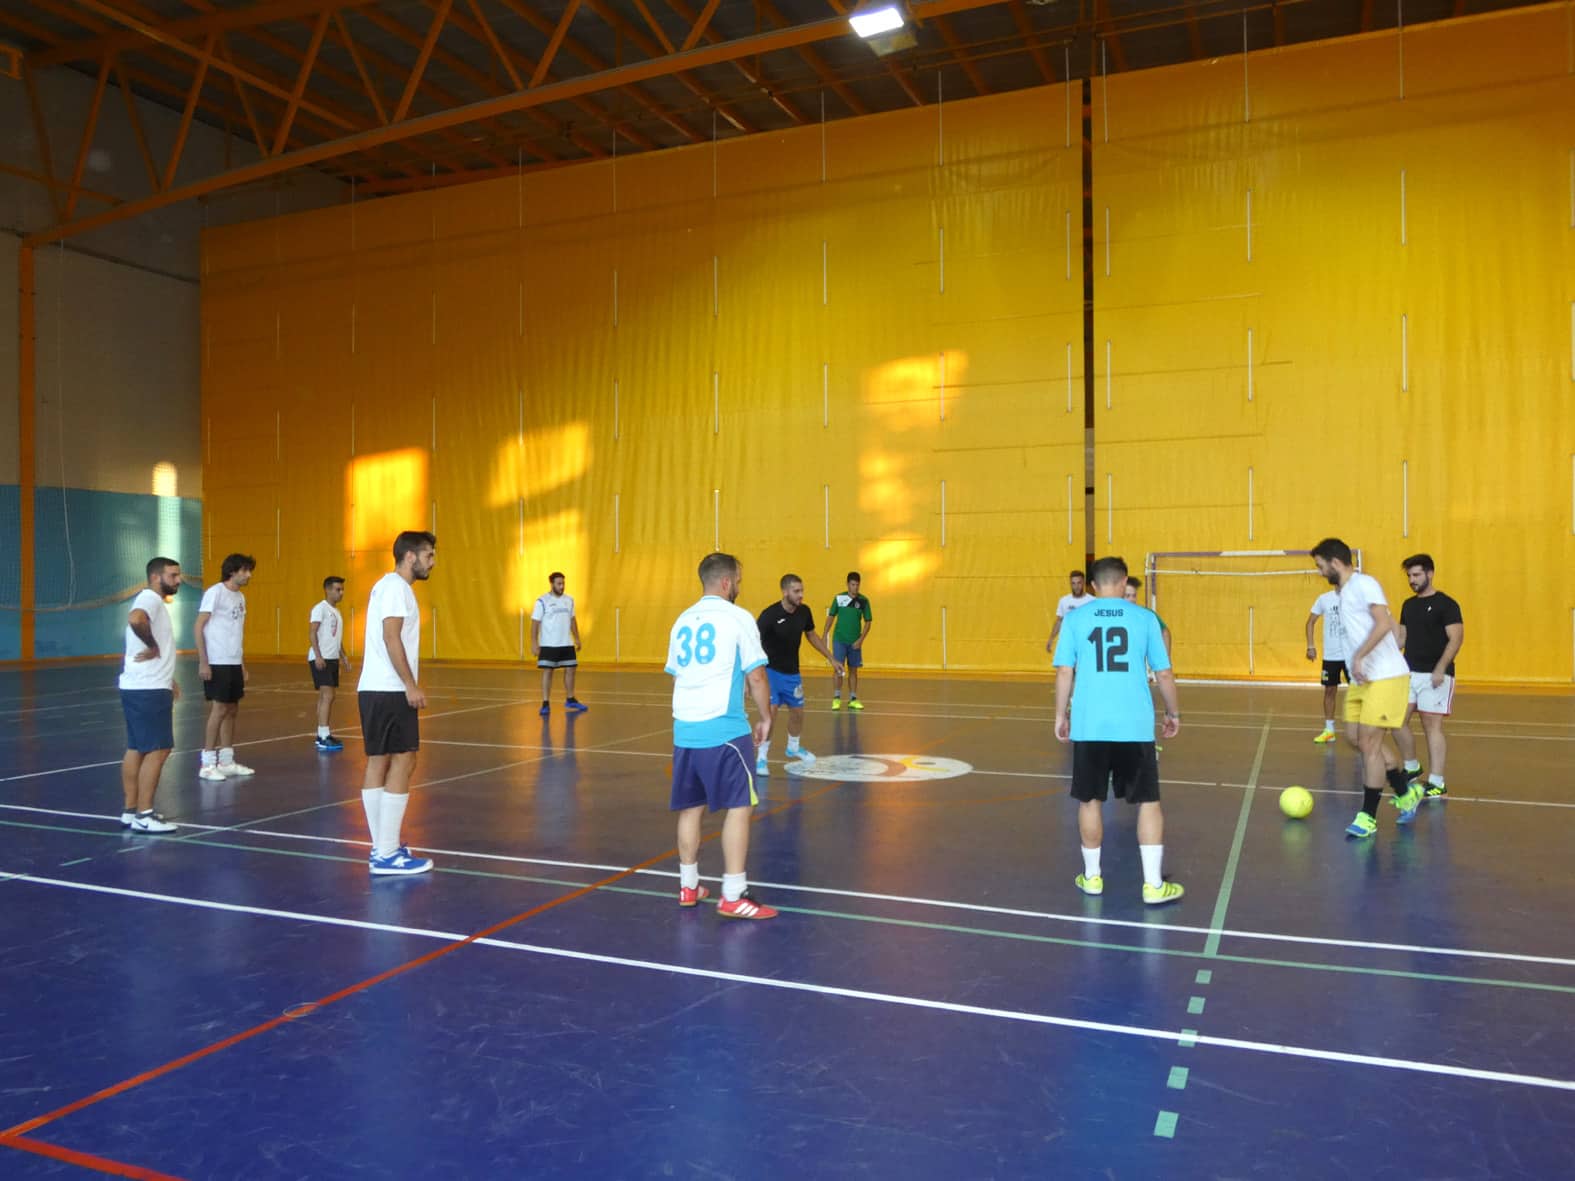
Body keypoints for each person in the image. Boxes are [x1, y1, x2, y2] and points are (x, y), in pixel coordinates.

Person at [1054, 557, 1184, 905]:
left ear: (1093, 586)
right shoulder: (1144, 618)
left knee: (1090, 800)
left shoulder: (1075, 618)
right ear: (1124, 580)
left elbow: (1065, 671)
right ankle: (1153, 885)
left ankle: (1093, 878)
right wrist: (1173, 712)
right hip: (1135, 726)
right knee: (1148, 803)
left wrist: (1060, 716)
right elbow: (1165, 674)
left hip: (1089, 724)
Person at [667, 551, 777, 919]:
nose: (740, 587)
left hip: (684, 727)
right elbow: (757, 676)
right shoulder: (737, 617)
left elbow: (682, 672)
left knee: (690, 807)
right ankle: (733, 894)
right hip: (725, 730)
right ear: (727, 582)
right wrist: (765, 716)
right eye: (739, 581)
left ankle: (688, 885)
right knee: (738, 807)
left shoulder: (682, 620)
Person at [1310, 538, 1424, 838]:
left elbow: (1384, 623)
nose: (1320, 572)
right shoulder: (1343, 593)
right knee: (1355, 739)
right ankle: (1405, 791)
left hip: (1385, 677)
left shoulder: (1364, 584)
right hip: (1362, 680)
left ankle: (1368, 817)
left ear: (1335, 563)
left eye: (1321, 566)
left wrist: (1360, 655)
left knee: (1371, 746)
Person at [358, 531, 438, 876]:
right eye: (429, 555)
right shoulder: (396, 588)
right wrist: (410, 684)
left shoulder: (387, 587)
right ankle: (387, 853)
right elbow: (391, 636)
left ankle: (382, 848)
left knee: (380, 761)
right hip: (389, 689)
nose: (432, 562)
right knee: (405, 759)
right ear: (410, 557)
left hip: (375, 688)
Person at [755, 573, 843, 779]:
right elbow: (753, 643)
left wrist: (831, 657)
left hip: (792, 674)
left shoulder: (804, 612)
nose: (801, 595)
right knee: (771, 713)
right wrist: (750, 678)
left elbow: (811, 635)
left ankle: (793, 748)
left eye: (802, 591)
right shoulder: (769, 615)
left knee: (797, 713)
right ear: (785, 592)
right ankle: (761, 757)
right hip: (770, 672)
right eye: (796, 591)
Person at [118, 557, 183, 833]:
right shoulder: (150, 599)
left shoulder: (151, 600)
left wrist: (169, 677)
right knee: (158, 749)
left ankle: (130, 811)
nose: (178, 580)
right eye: (173, 575)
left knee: (137, 748)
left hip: (139, 685)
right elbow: (136, 620)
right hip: (148, 689)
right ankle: (145, 815)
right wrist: (153, 646)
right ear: (156, 577)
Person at [1394, 553, 1464, 801]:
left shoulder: (1447, 604)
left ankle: (1437, 783)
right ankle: (1412, 766)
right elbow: (1401, 639)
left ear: (1430, 573)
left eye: (1417, 575)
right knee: (1396, 720)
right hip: (1410, 673)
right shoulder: (1408, 605)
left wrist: (1440, 668)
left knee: (1431, 725)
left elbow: (1456, 639)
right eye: (1409, 576)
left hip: (1436, 675)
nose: (1412, 580)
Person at [194, 553, 256, 782]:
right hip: (217, 661)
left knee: (232, 710)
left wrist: (241, 664)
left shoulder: (241, 598)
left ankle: (227, 761)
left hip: (232, 661)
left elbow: (236, 632)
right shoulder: (215, 592)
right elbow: (199, 627)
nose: (248, 575)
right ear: (232, 571)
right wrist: (203, 661)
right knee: (219, 710)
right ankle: (207, 764)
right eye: (245, 570)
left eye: (250, 571)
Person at [532, 571, 586, 717]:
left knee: (571, 669)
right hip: (549, 644)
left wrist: (577, 638)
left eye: (563, 583)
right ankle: (545, 703)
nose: (562, 586)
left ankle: (570, 699)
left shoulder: (569, 600)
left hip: (566, 643)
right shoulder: (542, 601)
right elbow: (535, 622)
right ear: (552, 584)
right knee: (548, 671)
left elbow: (573, 620)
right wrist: (534, 642)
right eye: (559, 584)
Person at [309, 576, 353, 752]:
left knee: (325, 696)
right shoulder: (320, 609)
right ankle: (323, 736)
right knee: (328, 695)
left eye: (342, 590)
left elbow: (336, 638)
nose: (340, 593)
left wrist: (343, 657)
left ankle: (322, 733)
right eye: (337, 589)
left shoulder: (337, 612)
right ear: (327, 589)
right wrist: (318, 656)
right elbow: (312, 633)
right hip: (322, 658)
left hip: (332, 658)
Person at [1305, 588, 1348, 744]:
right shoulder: (1324, 598)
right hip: (1331, 656)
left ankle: (1362, 732)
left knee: (1359, 692)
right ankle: (1329, 730)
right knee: (1329, 691)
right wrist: (1310, 646)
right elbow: (1310, 623)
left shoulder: (1357, 596)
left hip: (1352, 655)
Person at [826, 572, 872, 710]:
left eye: (857, 585)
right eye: (853, 584)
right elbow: (831, 617)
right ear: (848, 585)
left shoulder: (864, 601)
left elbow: (868, 622)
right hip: (839, 640)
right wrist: (824, 635)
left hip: (855, 643)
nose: (855, 587)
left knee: (853, 670)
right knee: (838, 670)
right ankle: (836, 698)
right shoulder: (839, 598)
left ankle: (852, 698)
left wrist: (860, 640)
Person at [1046, 569, 1094, 654]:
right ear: (1070, 584)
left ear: (1083, 583)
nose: (1076, 586)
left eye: (1079, 583)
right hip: (1069, 643)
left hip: (1087, 644)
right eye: (1073, 583)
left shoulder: (1092, 601)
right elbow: (1059, 621)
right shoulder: (1064, 601)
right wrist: (1051, 639)